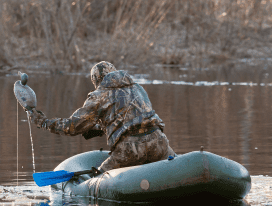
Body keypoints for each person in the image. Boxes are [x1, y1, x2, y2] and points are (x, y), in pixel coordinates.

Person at [28, 61, 176, 175]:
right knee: (177, 165)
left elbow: (72, 126)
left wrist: (44, 122)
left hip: (130, 150)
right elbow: (133, 120)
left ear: (96, 80)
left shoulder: (99, 95)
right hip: (159, 142)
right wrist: (101, 129)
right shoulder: (137, 87)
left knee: (99, 178)